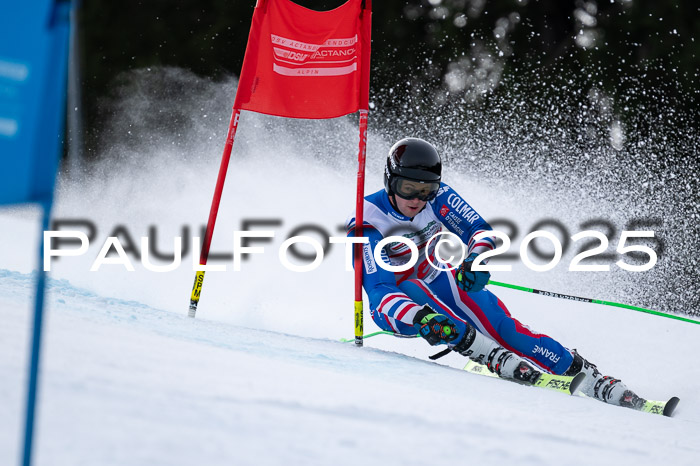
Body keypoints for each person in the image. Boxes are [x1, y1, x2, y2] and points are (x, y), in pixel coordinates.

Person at [346, 137, 640, 408]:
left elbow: (480, 231)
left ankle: (587, 375)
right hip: (395, 307)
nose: (418, 199)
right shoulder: (367, 221)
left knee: (506, 329)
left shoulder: (438, 197)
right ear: (390, 181)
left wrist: (474, 259)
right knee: (414, 289)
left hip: (435, 276)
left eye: (426, 190)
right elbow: (379, 291)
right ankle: (488, 352)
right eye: (407, 188)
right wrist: (421, 317)